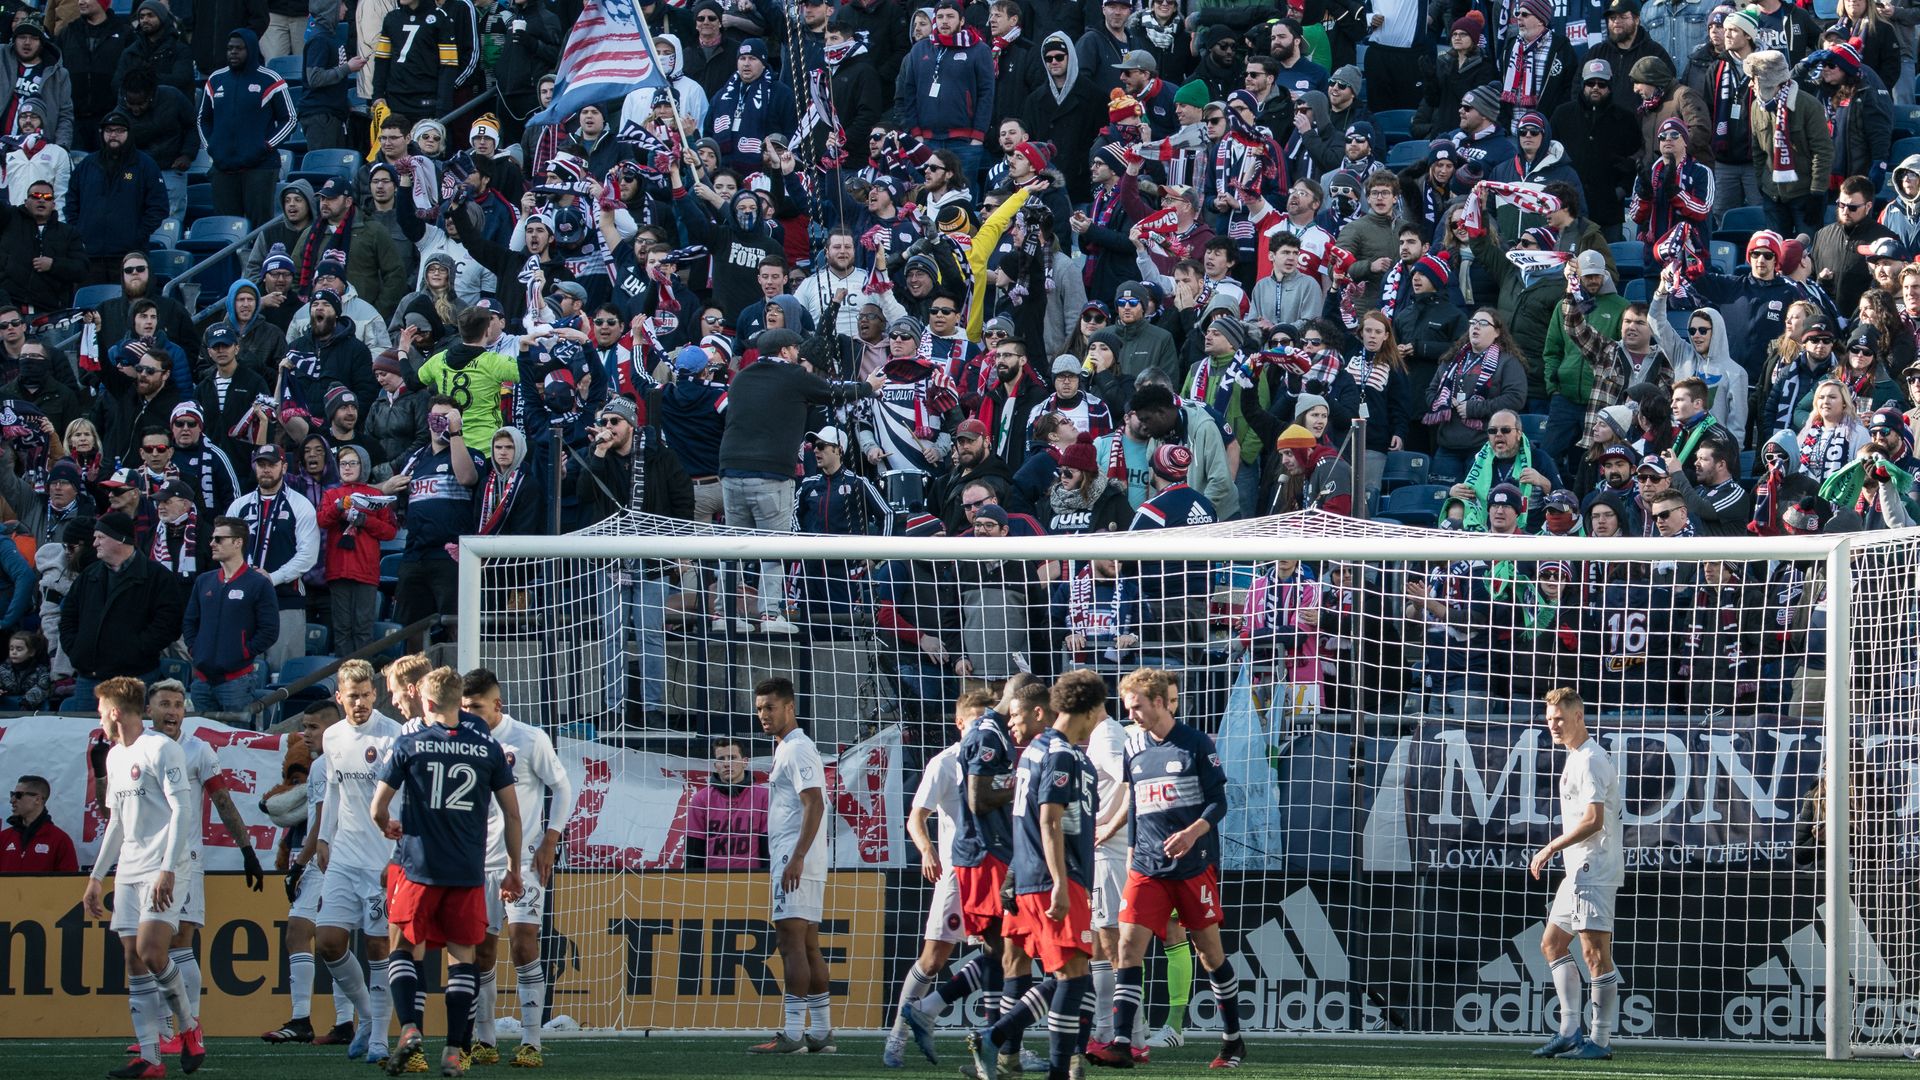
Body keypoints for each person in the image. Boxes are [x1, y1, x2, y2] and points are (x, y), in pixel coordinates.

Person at [1087, 668, 1244, 1070]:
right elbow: (1136, 803)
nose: (1131, 714)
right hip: (1146, 867)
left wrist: (1192, 833)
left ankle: (1232, 1040)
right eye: (1128, 707)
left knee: (1210, 953)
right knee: (1127, 947)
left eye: (1136, 707)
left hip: (1192, 867)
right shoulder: (1134, 746)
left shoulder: (1195, 744)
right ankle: (1123, 1042)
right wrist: (1132, 849)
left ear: (1159, 702)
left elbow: (1219, 802)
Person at [372, 666, 521, 1078]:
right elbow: (512, 814)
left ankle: (409, 1029)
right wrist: (513, 869)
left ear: (429, 702)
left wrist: (386, 824)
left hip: (418, 867)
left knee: (404, 947)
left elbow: (377, 806)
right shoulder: (489, 747)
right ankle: (455, 1050)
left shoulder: (410, 743)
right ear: (460, 703)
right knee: (463, 957)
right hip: (468, 870)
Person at [966, 669, 1105, 1080]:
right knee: (1073, 976)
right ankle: (1006, 1043)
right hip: (1055, 877)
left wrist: (1017, 872)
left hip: (1028, 876)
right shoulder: (1060, 754)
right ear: (1090, 710)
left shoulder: (1036, 751)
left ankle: (1007, 1053)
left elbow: (1027, 818)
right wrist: (1061, 882)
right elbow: (1049, 820)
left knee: (1050, 970)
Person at [81, 675, 203, 1079]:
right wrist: (97, 877)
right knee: (133, 959)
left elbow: (183, 810)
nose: (99, 717)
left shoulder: (162, 748)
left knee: (152, 952)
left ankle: (189, 1026)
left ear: (115, 712)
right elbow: (116, 822)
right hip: (130, 867)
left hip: (165, 865)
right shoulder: (115, 756)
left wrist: (168, 867)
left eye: (101, 710)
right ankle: (150, 1059)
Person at [460, 668, 576, 1070]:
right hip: (475, 862)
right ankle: (486, 1039)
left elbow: (562, 787)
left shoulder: (528, 738)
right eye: (464, 707)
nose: (469, 714)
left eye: (476, 707)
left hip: (523, 860)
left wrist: (550, 840)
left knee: (523, 941)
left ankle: (531, 1041)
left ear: (497, 705)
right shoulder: (460, 741)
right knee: (482, 949)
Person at [147, 682, 268, 1044]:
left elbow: (222, 800)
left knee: (180, 941)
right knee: (149, 945)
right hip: (146, 859)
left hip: (183, 858)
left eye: (178, 705)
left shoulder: (197, 750)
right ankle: (162, 1031)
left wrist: (247, 850)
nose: (172, 711)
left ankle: (189, 1030)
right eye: (165, 704)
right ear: (149, 710)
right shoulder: (138, 748)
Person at [885, 691, 986, 1069]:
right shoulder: (944, 763)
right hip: (957, 873)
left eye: (987, 720)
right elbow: (916, 817)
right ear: (959, 724)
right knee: (933, 959)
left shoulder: (1000, 759)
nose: (982, 727)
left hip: (995, 874)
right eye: (975, 720)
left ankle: (1006, 1043)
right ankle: (898, 1035)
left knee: (1005, 957)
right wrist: (927, 851)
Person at [1528, 688, 1625, 1061]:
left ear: (1578, 717)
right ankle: (1569, 1032)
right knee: (1552, 944)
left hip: (1594, 867)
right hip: (1578, 870)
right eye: (1549, 719)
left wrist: (1551, 847)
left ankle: (1600, 1041)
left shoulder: (1590, 760)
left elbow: (1594, 820)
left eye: (1560, 719)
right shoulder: (1575, 756)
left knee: (1595, 953)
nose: (1553, 725)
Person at [316, 659, 403, 1066]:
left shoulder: (392, 735)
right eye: (353, 696)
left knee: (378, 946)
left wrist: (397, 854)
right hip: (344, 856)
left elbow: (406, 798)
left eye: (367, 695)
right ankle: (366, 1016)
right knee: (328, 941)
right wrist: (323, 838)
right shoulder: (332, 736)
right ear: (340, 697)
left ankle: (380, 1037)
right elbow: (333, 790)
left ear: (375, 694)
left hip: (380, 860)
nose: (361, 703)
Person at [261, 702, 358, 1047]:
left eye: (313, 727)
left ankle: (304, 1019)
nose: (305, 734)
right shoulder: (346, 759)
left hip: (326, 860)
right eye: (304, 726)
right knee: (333, 942)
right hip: (347, 858)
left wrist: (299, 865)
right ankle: (344, 1022)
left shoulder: (322, 765)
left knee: (301, 934)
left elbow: (320, 822)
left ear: (332, 729)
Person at [747, 677, 835, 1054]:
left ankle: (794, 1033)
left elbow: (814, 802)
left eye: (770, 707)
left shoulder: (797, 748)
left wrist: (796, 856)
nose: (763, 715)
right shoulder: (790, 747)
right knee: (809, 945)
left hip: (795, 856)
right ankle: (822, 1032)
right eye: (759, 709)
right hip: (805, 855)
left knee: (790, 943)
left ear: (789, 707)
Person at [59, 512, 185, 706]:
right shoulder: (89, 575)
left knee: (131, 726)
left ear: (120, 539)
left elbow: (169, 623)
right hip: (89, 679)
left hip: (135, 678)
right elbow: (68, 616)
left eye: (100, 537)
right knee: (87, 726)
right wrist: (77, 650)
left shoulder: (157, 577)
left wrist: (137, 650)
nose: (95, 543)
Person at [390, 397, 483, 636]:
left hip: (450, 554)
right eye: (435, 417)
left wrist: (455, 433)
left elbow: (467, 478)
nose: (440, 422)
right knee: (411, 627)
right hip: (415, 553)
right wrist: (385, 488)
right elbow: (391, 490)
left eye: (446, 417)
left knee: (456, 624)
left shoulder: (471, 454)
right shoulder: (415, 459)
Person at [226, 444, 319, 670]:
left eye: (272, 464)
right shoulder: (239, 505)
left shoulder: (300, 504)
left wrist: (272, 577)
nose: (266, 469)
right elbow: (224, 547)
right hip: (244, 599)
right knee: (245, 668)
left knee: (284, 669)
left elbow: (308, 555)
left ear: (284, 467)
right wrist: (245, 576)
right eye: (261, 464)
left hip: (286, 599)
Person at [182, 515, 281, 717]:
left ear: (238, 542)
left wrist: (243, 652)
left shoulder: (258, 583)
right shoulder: (204, 581)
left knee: (235, 735)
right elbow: (190, 622)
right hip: (201, 681)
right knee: (202, 734)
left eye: (219, 539)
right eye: (212, 538)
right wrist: (195, 648)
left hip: (237, 681)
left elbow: (269, 630)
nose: (212, 543)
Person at [197, 30, 297, 229]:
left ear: (250, 50)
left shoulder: (271, 79)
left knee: (260, 228)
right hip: (223, 167)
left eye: (239, 48)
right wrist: (212, 147)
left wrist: (266, 146)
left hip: (260, 166)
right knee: (225, 229)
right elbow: (203, 119)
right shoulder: (216, 79)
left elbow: (290, 119)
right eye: (229, 48)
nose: (233, 52)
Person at [1745, 49, 1831, 238]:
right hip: (1773, 196)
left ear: (1769, 81)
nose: (1750, 84)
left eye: (1754, 78)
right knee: (1775, 250)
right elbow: (1758, 150)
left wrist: (1817, 192)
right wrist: (1762, 182)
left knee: (1807, 250)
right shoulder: (1756, 107)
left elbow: (1822, 152)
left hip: (1805, 195)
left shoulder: (1809, 106)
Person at [684, 738, 769, 870]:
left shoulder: (764, 796)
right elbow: (694, 851)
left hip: (753, 878)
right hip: (712, 879)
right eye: (721, 759)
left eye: (732, 758)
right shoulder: (701, 799)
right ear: (715, 765)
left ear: (745, 762)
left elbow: (768, 847)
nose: (726, 763)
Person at [0, 774, 77, 872]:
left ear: (37, 799)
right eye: (12, 794)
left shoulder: (60, 840)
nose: (12, 800)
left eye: (18, 795)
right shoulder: (3, 838)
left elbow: (69, 880)